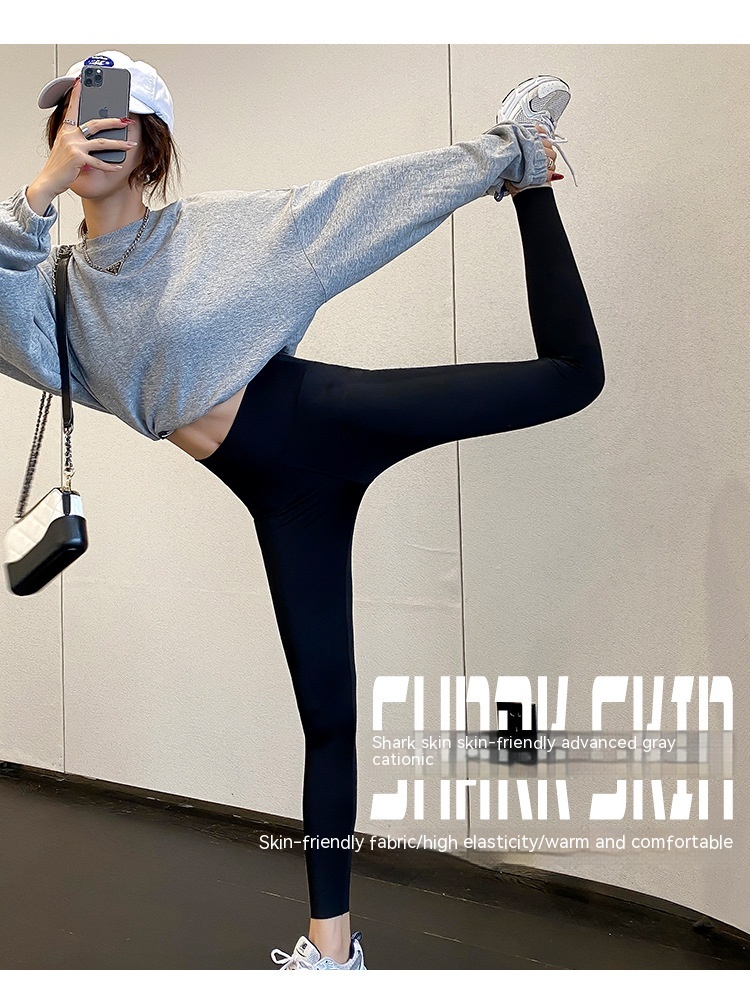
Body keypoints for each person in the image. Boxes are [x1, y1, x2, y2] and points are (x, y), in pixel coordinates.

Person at [1, 52, 605, 971]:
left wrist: (501, 152)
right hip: (280, 498)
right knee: (326, 712)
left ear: (150, 146)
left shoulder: (213, 234)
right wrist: (37, 194)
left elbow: (350, 211)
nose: (88, 132)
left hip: (326, 417)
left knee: (571, 379)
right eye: (72, 119)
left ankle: (532, 173)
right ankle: (333, 947)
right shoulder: (56, 292)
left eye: (110, 117)